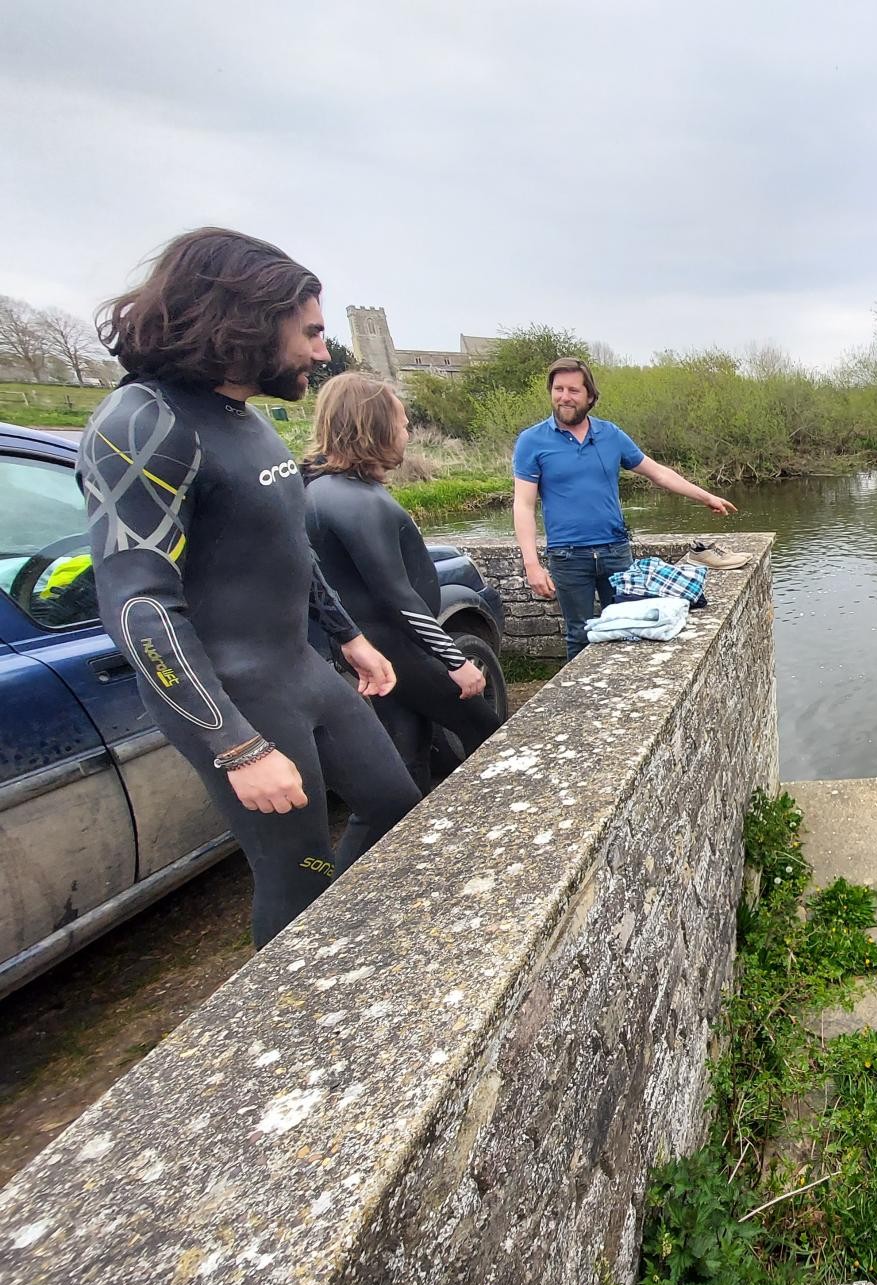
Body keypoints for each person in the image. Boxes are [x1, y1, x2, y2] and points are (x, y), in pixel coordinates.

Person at [78, 228, 421, 947]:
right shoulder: (144, 423)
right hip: (233, 695)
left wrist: (348, 636)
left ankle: (341, 937)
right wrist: (236, 746)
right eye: (311, 333)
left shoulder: (245, 419)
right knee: (297, 869)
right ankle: (301, 1011)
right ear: (247, 320)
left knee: (395, 807)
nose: (322, 353)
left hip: (299, 666)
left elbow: (289, 545)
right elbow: (139, 605)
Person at [303, 372, 502, 799]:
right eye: (402, 422)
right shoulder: (359, 500)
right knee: (491, 735)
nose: (408, 432)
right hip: (399, 649)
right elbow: (396, 594)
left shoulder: (323, 490)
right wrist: (454, 659)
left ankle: (387, 857)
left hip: (380, 651)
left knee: (409, 760)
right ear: (373, 426)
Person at [512, 356, 737, 658]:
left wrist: (705, 497)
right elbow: (523, 505)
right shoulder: (532, 441)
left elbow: (657, 472)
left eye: (573, 390)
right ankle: (587, 704)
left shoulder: (610, 435)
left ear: (589, 396)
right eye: (558, 389)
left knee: (630, 627)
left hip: (615, 551)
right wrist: (532, 565)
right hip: (567, 556)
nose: (564, 397)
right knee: (580, 634)